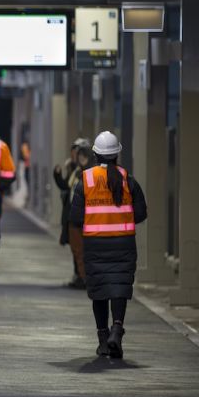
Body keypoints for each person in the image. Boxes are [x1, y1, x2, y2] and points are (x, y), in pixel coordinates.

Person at [70, 131, 148, 359]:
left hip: (95, 246)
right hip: (123, 245)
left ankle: (103, 341)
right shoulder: (128, 180)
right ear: (117, 155)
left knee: (100, 292)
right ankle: (117, 329)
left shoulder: (86, 180)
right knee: (119, 288)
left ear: (95, 154)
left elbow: (75, 218)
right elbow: (141, 213)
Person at [54, 138, 92, 289]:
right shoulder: (75, 170)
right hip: (73, 216)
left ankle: (84, 278)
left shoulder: (87, 171)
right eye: (75, 152)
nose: (76, 155)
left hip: (83, 217)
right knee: (76, 249)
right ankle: (80, 276)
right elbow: (66, 186)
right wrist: (57, 175)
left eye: (80, 152)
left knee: (82, 250)